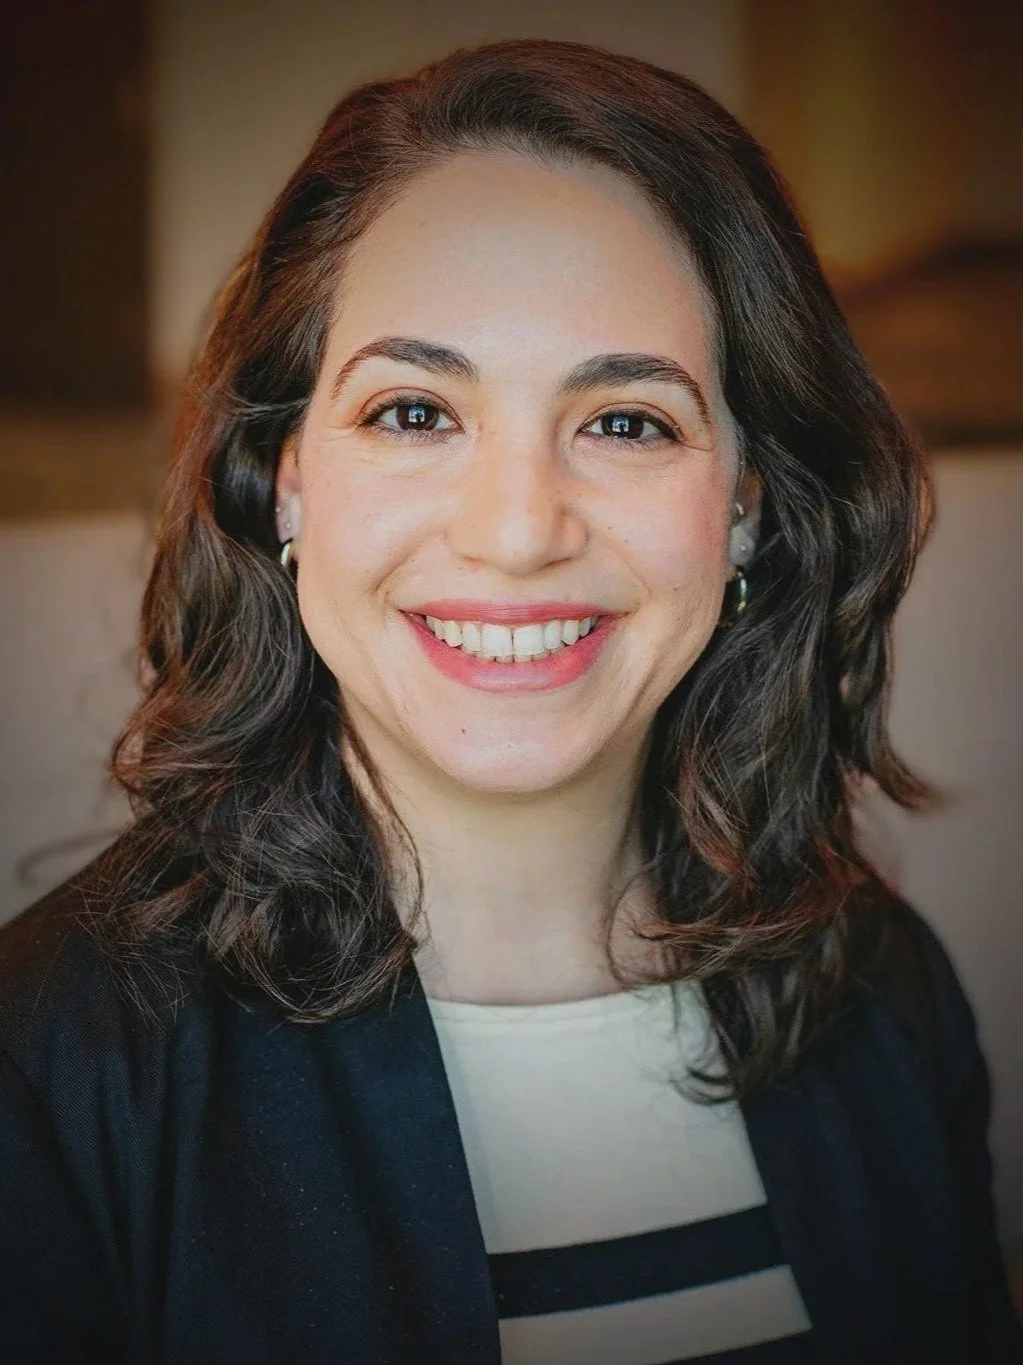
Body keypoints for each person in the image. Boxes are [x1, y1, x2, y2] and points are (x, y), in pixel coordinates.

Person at [0, 36, 1019, 1365]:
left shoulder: (883, 997)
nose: (519, 530)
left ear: (746, 510)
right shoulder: (45, 1070)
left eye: (624, 423)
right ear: (284, 478)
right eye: (416, 412)